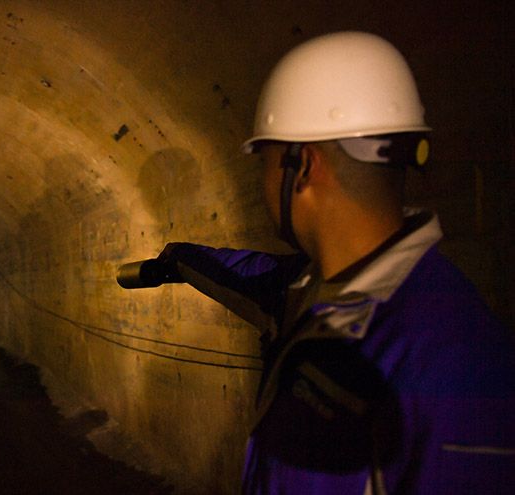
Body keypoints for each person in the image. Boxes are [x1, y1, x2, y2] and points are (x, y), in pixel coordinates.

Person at [146, 32, 515, 493]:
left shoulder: (457, 362)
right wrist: (175, 259)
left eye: (265, 162)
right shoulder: (308, 288)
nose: (262, 182)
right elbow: (239, 273)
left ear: (304, 167)